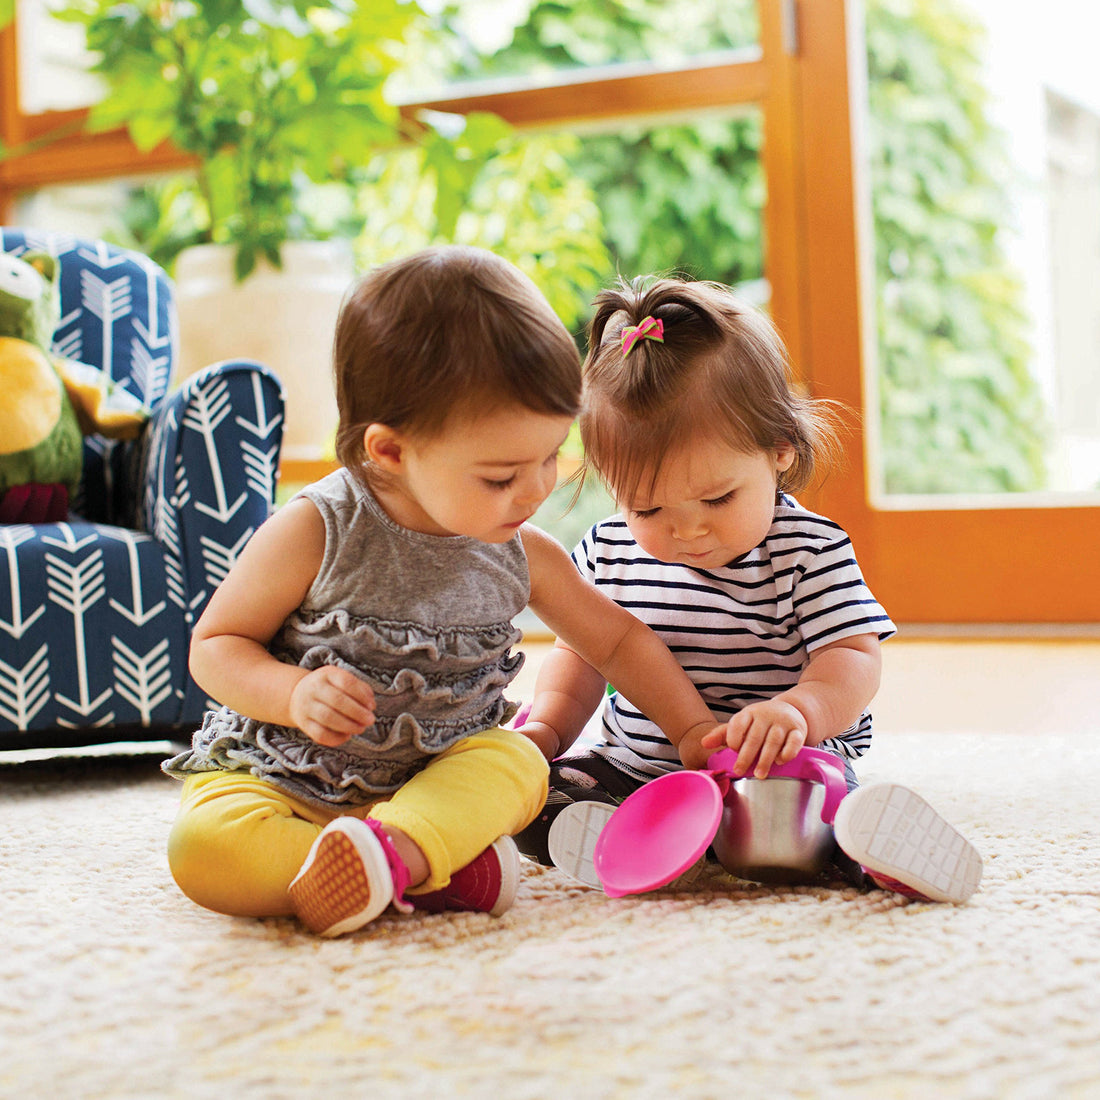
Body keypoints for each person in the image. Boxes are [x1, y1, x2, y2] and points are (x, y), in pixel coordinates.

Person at [163, 247, 729, 937]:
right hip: (287, 780)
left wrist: (694, 729)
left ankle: (400, 852)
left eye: (551, 456)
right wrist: (291, 694)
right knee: (203, 850)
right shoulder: (315, 529)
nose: (536, 489)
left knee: (519, 761)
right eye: (501, 476)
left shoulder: (522, 552)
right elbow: (216, 646)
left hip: (430, 788)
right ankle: (436, 872)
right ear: (391, 452)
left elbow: (617, 640)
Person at [514, 275, 982, 904]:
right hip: (641, 770)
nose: (688, 530)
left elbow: (854, 658)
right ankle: (633, 838)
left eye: (717, 498)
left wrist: (800, 710)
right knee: (540, 793)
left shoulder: (806, 551)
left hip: (771, 769)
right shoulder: (607, 550)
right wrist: (547, 727)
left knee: (787, 824)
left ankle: (867, 852)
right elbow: (581, 657)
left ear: (780, 450)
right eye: (647, 509)